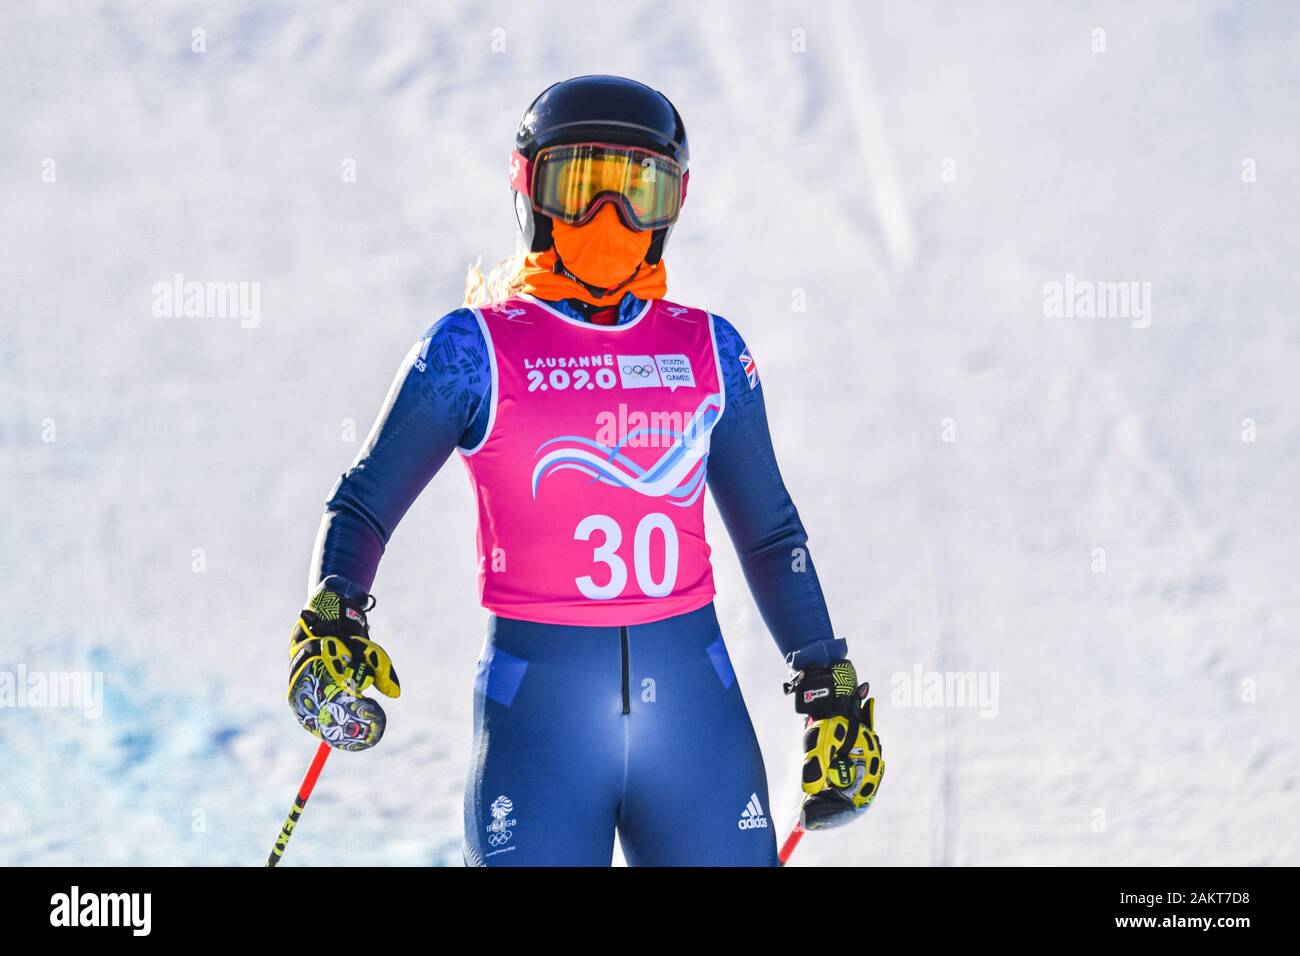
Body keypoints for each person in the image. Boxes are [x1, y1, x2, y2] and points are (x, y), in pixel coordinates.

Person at [284, 75, 884, 866]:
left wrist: (828, 686)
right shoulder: (473, 351)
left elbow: (771, 534)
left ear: (675, 202)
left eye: (640, 190)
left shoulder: (711, 351)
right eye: (580, 186)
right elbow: (364, 503)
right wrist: (332, 616)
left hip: (695, 730)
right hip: (541, 736)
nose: (611, 216)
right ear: (529, 190)